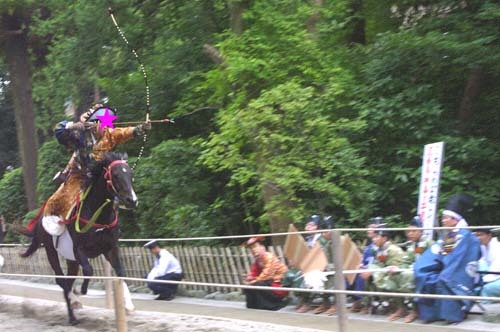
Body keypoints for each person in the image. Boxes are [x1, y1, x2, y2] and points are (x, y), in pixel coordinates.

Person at [40, 104, 150, 237]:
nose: (105, 126)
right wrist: (71, 126)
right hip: (79, 173)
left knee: (115, 186)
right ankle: (61, 224)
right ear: (93, 124)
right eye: (101, 123)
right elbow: (58, 130)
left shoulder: (110, 134)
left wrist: (140, 129)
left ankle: (113, 225)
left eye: (106, 123)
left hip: (99, 172)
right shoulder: (78, 133)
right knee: (66, 195)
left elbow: (125, 132)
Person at [414, 193, 481, 324]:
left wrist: (444, 267)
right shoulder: (451, 235)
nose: (443, 220)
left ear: (455, 220)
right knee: (425, 273)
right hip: (447, 266)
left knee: (445, 278)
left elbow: (460, 258)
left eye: (445, 218)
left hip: (459, 271)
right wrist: (432, 264)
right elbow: (443, 253)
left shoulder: (465, 236)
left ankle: (451, 315)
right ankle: (433, 314)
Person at [360, 223, 409, 321]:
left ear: (384, 238)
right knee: (367, 276)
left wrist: (372, 271)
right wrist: (368, 269)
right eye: (373, 237)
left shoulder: (392, 250)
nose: (373, 239)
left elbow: (395, 268)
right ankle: (385, 304)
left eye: (376, 237)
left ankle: (400, 307)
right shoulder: (381, 249)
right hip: (388, 274)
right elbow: (379, 264)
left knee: (382, 279)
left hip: (399, 276)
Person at [294, 215, 336, 315]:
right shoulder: (319, 241)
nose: (325, 232)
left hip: (333, 268)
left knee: (321, 276)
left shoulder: (336, 241)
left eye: (328, 229)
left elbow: (339, 261)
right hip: (319, 267)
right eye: (324, 230)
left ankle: (335, 304)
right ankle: (322, 302)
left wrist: (326, 267)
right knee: (302, 275)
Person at [399, 216, 433, 323]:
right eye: (408, 231)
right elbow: (406, 261)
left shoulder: (429, 243)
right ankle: (401, 307)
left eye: (413, 231)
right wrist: (398, 269)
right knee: (397, 275)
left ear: (421, 231)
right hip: (412, 271)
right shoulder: (411, 245)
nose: (410, 233)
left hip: (427, 272)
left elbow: (433, 261)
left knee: (409, 277)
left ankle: (415, 310)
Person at [243, 236, 288, 311]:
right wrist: (249, 278)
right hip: (268, 281)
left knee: (259, 284)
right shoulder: (258, 260)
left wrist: (253, 281)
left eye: (255, 246)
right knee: (249, 286)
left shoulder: (269, 257)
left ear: (262, 247)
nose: (253, 250)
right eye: (251, 248)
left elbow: (267, 274)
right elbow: (254, 272)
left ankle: (270, 305)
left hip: (279, 283)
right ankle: (254, 306)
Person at [349, 216, 382, 313]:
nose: (369, 230)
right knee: (349, 273)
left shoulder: (382, 246)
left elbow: (381, 262)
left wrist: (367, 268)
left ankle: (365, 303)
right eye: (369, 227)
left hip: (375, 270)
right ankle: (357, 300)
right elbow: (363, 260)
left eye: (372, 227)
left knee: (362, 276)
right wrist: (360, 265)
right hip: (366, 268)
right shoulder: (368, 247)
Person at [475, 228, 500, 300]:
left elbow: (496, 268)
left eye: (481, 235)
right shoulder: (483, 247)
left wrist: (483, 281)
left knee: (486, 289)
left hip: (497, 275)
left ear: (489, 235)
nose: (478, 238)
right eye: (477, 235)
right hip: (493, 275)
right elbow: (481, 262)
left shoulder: (497, 248)